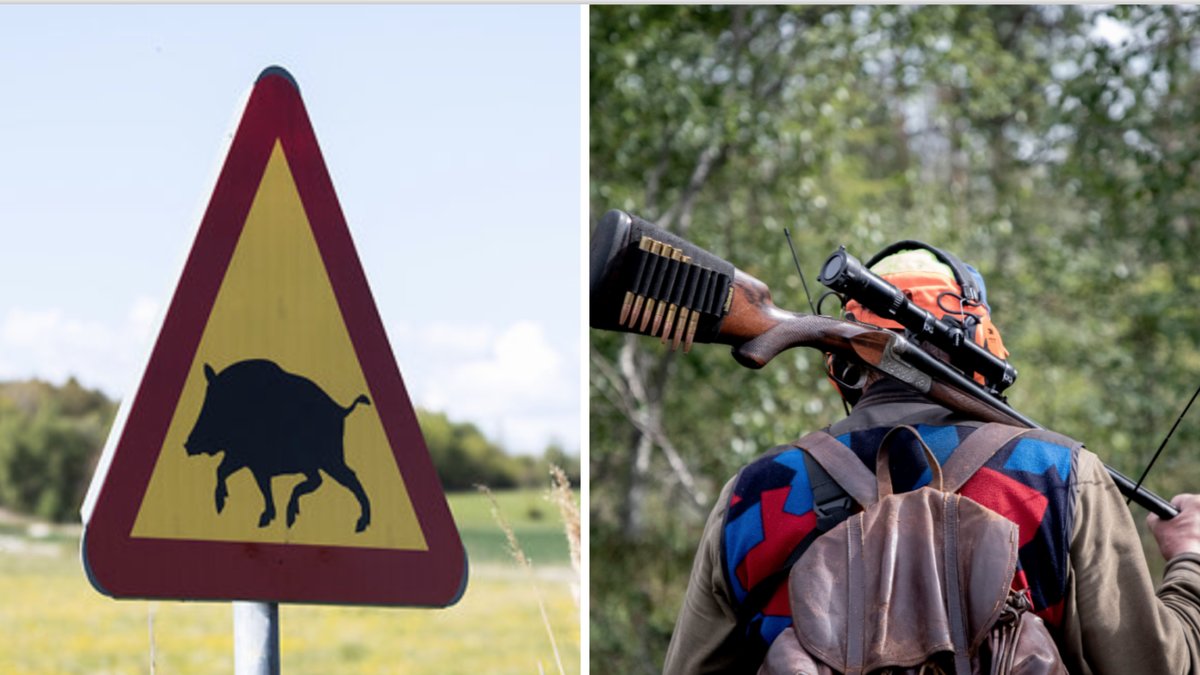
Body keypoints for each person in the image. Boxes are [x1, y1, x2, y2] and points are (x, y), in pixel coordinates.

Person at [662, 242, 1200, 674]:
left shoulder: (753, 493)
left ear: (842, 361)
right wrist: (1190, 562)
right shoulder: (1060, 476)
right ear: (979, 339)